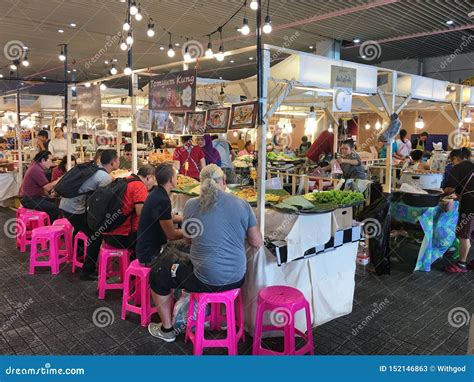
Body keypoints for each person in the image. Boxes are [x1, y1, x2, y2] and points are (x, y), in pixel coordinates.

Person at [147, 164, 263, 342]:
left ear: (201, 184)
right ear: (224, 181)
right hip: (237, 278)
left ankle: (167, 329)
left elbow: (188, 240)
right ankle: (223, 320)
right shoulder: (242, 204)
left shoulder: (191, 205)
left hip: (204, 279)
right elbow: (257, 242)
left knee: (157, 273)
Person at [59, 149, 119, 281]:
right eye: (118, 159)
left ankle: (79, 257)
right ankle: (87, 271)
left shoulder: (95, 169)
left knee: (81, 228)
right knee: (96, 235)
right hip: (74, 209)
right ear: (113, 162)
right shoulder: (105, 177)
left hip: (65, 205)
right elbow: (99, 202)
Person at [136, 163, 184, 266]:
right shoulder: (162, 200)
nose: (177, 179)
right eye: (176, 176)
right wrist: (193, 233)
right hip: (152, 255)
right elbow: (171, 235)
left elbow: (170, 217)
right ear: (171, 179)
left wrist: (189, 217)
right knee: (188, 257)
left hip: (144, 250)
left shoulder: (157, 193)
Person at [102, 164, 157, 250]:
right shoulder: (140, 186)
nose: (154, 184)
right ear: (149, 178)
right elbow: (142, 213)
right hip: (122, 237)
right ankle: (138, 261)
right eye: (154, 180)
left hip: (107, 232)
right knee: (156, 237)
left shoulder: (127, 179)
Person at [443, 149, 474, 273]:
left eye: (452, 161)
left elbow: (450, 189)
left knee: (464, 235)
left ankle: (461, 264)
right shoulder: (471, 165)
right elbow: (460, 189)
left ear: (455, 158)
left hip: (470, 205)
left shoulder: (457, 168)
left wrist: (442, 195)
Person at [19, 151, 60, 222]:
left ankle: (48, 223)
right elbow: (47, 187)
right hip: (29, 199)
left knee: (54, 201)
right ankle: (50, 228)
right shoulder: (36, 169)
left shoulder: (35, 166)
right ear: (43, 160)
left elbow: (41, 187)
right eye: (51, 160)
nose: (52, 163)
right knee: (54, 207)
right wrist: (59, 180)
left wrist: (49, 195)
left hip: (30, 197)